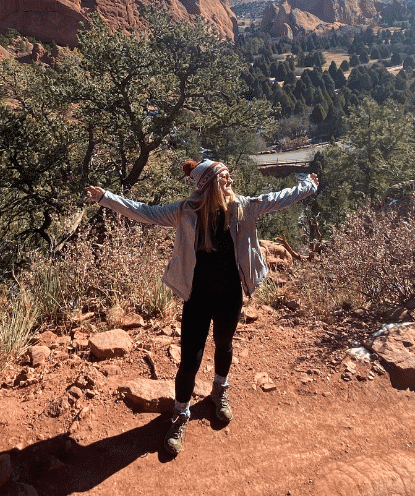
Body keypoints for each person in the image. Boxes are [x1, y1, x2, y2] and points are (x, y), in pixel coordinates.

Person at [86, 160, 318, 456]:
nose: (231, 179)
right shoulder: (185, 210)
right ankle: (181, 413)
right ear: (209, 183)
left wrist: (307, 186)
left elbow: (279, 198)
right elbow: (145, 212)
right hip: (196, 297)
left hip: (230, 295)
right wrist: (107, 198)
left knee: (224, 343)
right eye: (225, 176)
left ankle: (219, 391)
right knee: (190, 359)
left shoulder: (242, 207)